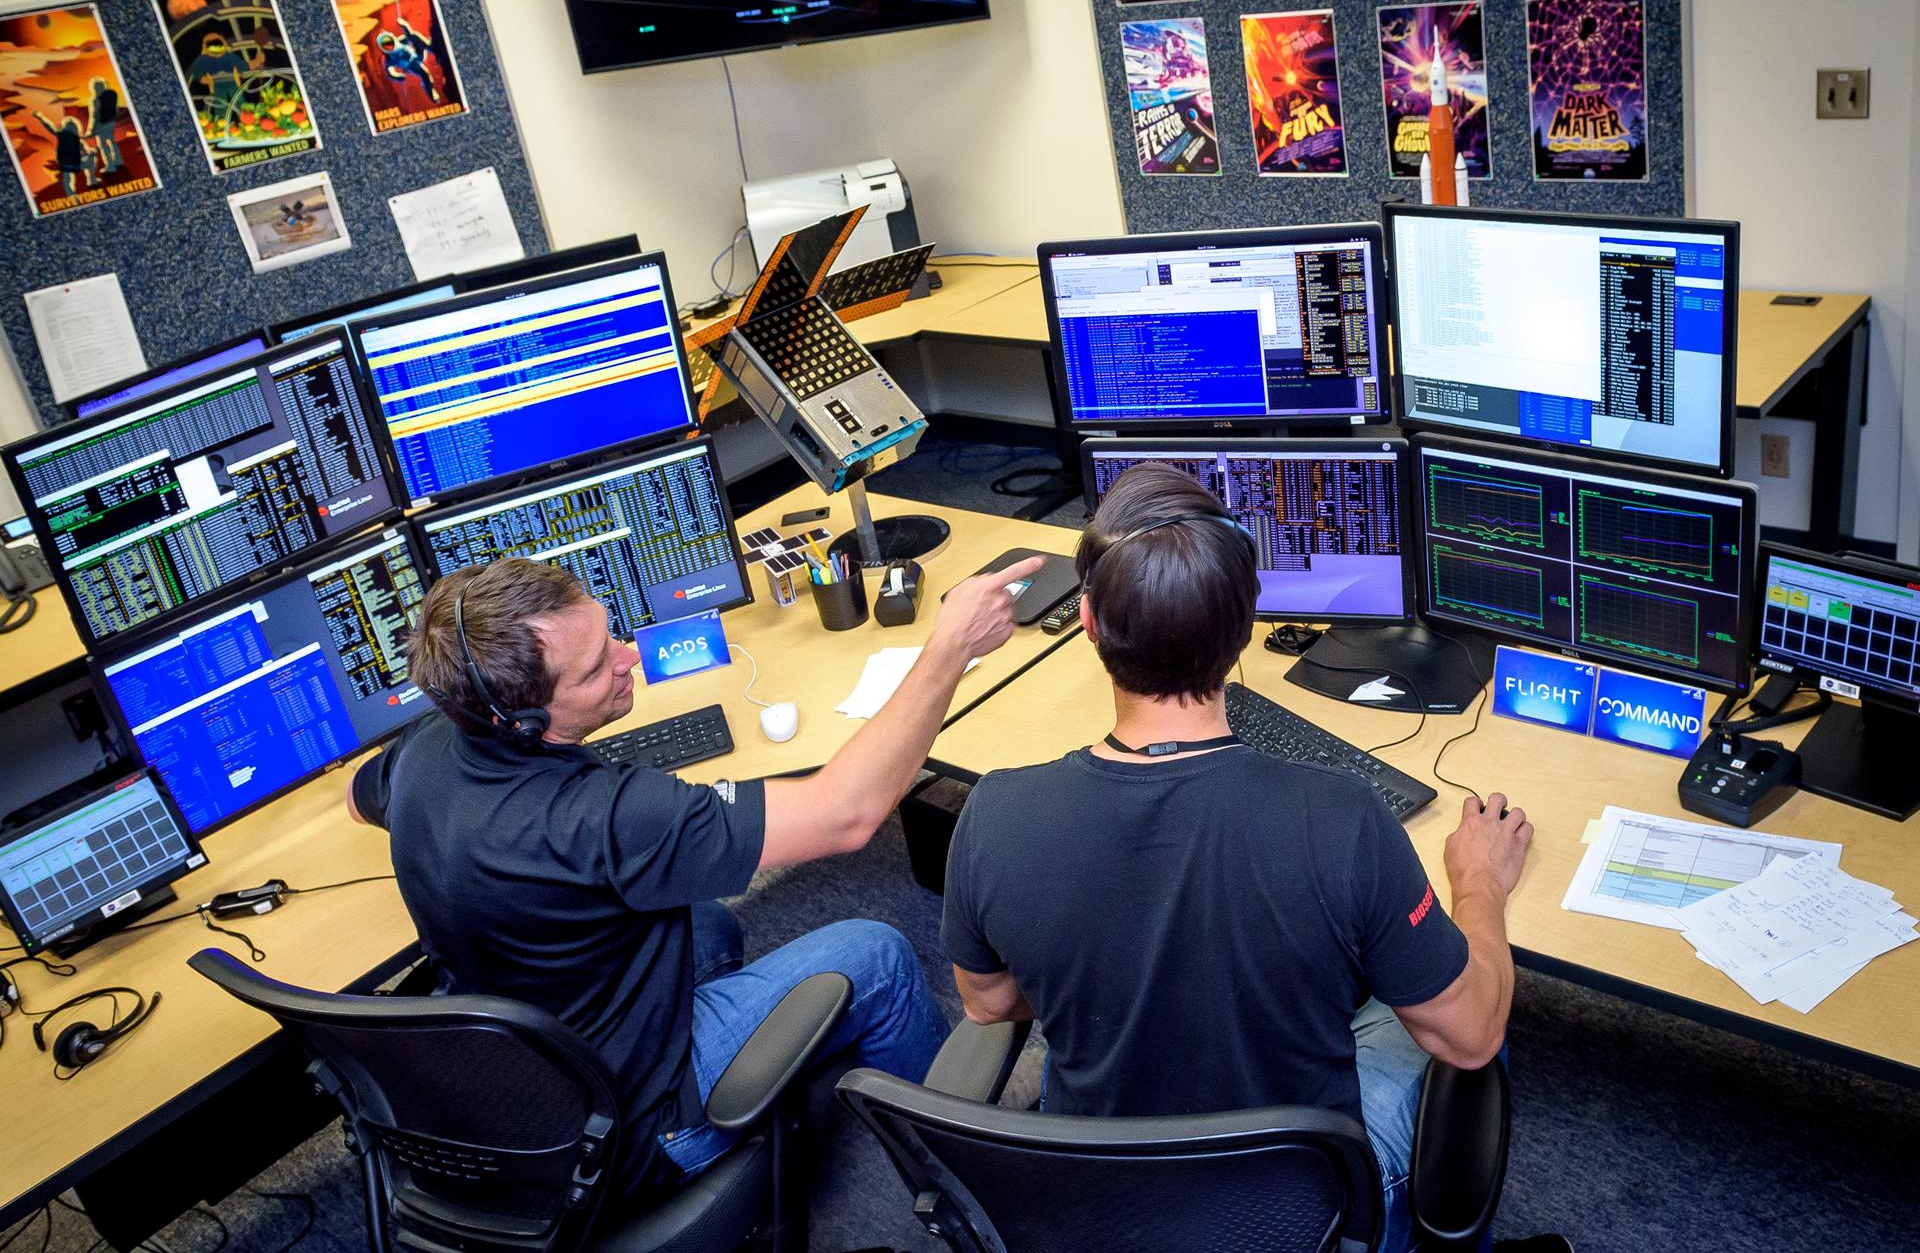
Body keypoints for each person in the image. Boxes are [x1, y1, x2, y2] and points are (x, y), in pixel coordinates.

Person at [941, 464, 1561, 1253]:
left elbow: (991, 1004)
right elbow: (1469, 1034)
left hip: (1096, 1208)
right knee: (1469, 986)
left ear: (1089, 621)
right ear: (1245, 628)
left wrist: (1107, 957)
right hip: (1299, 1216)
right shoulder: (1342, 819)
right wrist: (1479, 888)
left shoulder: (995, 812)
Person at [349, 551, 1044, 1207]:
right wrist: (949, 649)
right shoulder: (604, 820)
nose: (629, 660)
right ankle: (958, 1172)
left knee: (707, 921)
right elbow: (848, 815)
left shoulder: (426, 748)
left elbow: (359, 798)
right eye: (595, 670)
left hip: (522, 1072)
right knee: (877, 954)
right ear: (525, 718)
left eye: (611, 633)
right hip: (627, 1130)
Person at [86, 77, 122, 174]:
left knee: (103, 145)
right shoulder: (111, 95)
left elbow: (94, 115)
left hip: (101, 124)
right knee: (111, 141)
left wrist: (90, 130)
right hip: (111, 123)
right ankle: (118, 160)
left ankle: (110, 166)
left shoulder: (95, 99)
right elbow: (116, 110)